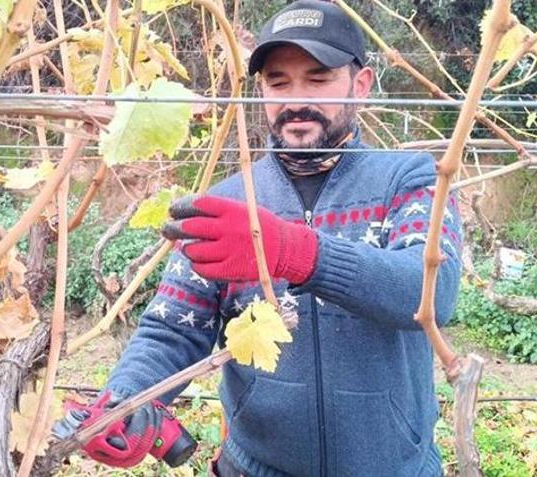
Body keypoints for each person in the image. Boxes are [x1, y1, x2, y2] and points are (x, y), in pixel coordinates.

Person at [55, 1, 463, 475]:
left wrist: (294, 252)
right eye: (278, 82)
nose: (296, 101)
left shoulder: (411, 179)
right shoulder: (227, 203)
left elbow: (430, 292)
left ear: (361, 85)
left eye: (318, 79)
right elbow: (173, 328)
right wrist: (127, 402)